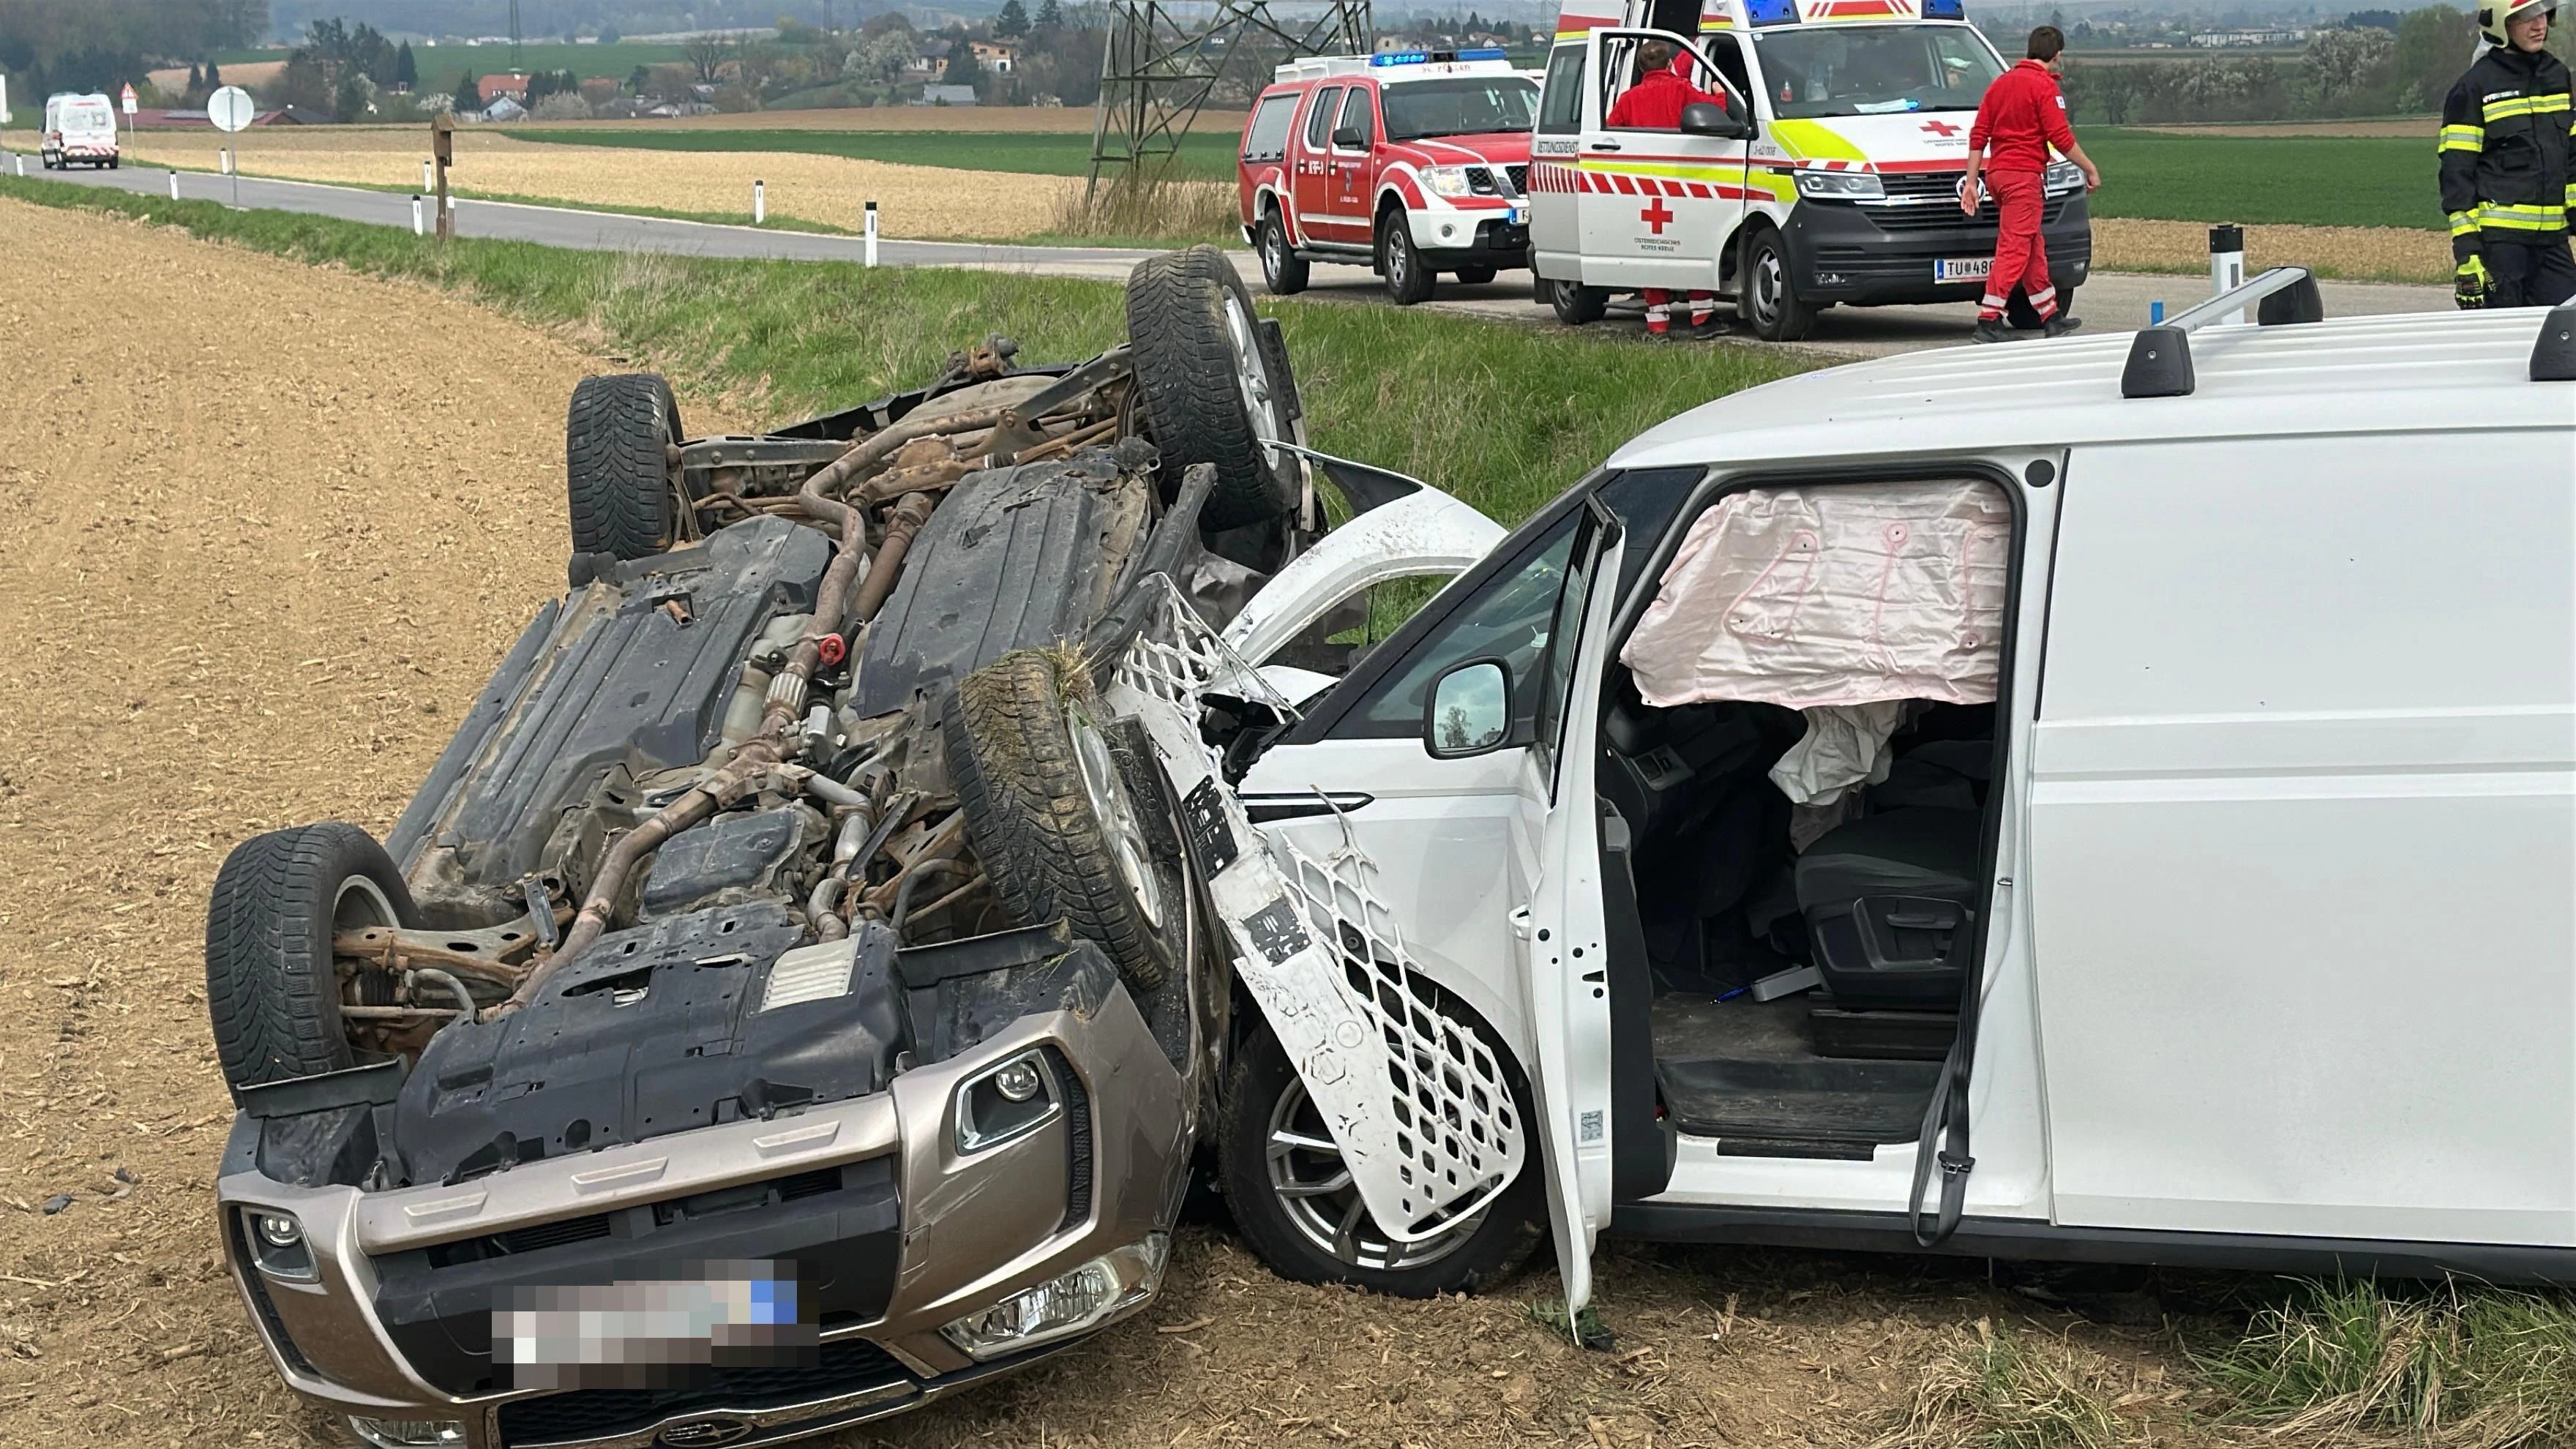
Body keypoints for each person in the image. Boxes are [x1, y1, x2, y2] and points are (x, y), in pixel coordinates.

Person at [1960, 26, 2101, 344]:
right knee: (2014, 250)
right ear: (2057, 54)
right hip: (2024, 179)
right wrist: (2090, 169)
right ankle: (1989, 318)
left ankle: (2050, 316)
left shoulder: (2000, 84)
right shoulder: (2044, 87)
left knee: (2032, 247)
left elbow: (1978, 134)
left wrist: (1971, 182)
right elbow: (2060, 138)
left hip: (1997, 176)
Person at [2440, 0, 2575, 309]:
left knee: (2567, 341)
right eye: (2526, 16)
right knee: (2500, 346)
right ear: (2500, 24)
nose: (2539, 24)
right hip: (2500, 249)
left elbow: (2571, 158)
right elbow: (2456, 174)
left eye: (2544, 13)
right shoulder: (2474, 87)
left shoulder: (2557, 77)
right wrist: (2467, 253)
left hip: (2553, 246)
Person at [1606, 38, 1729, 339]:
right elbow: (1717, 111)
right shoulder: (1682, 88)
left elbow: (1609, 132)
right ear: (1670, 63)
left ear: (1640, 68)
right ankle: (1702, 319)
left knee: (1650, 249)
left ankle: (1657, 324)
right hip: (1681, 184)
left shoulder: (1627, 99)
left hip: (1642, 187)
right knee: (1690, 247)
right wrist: (1720, 92)